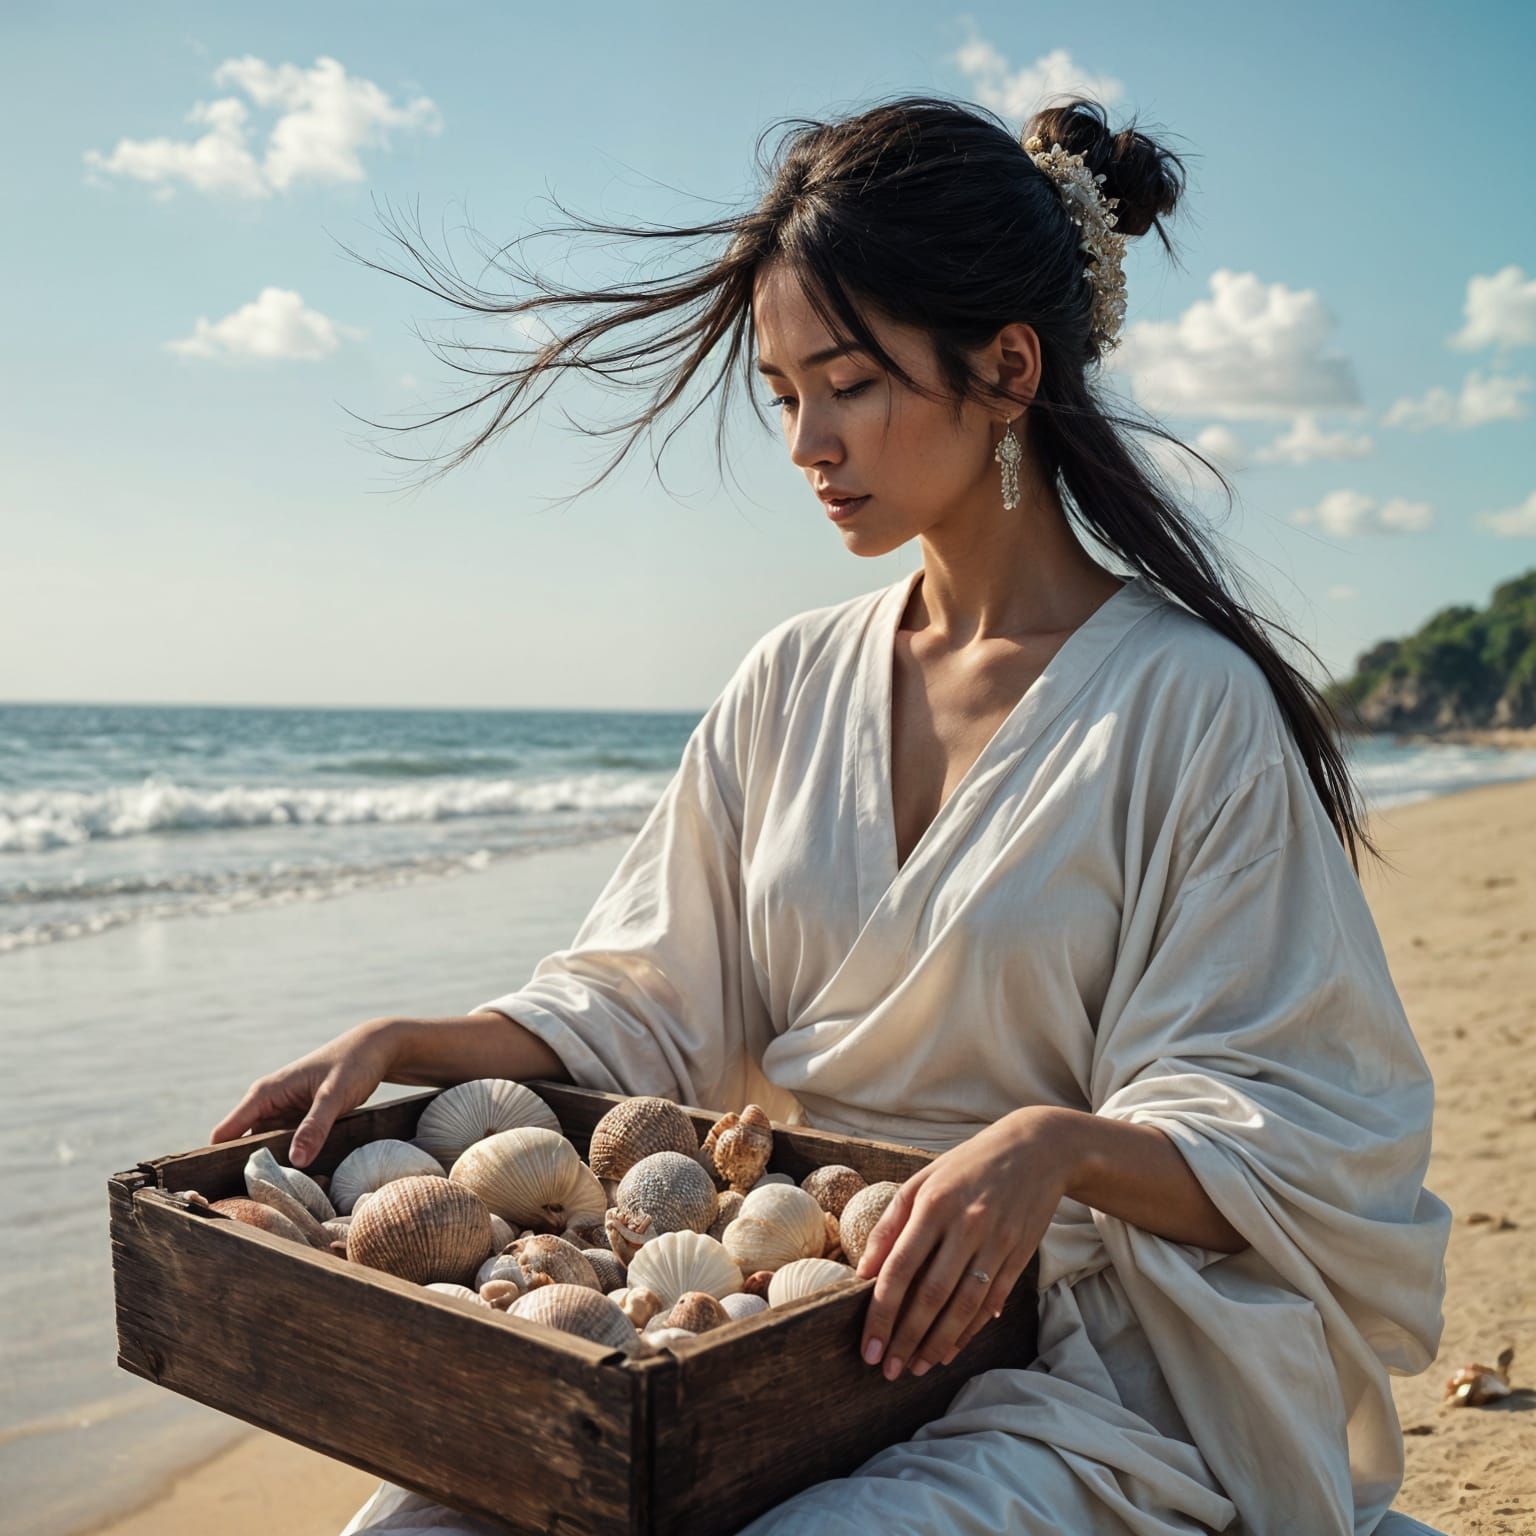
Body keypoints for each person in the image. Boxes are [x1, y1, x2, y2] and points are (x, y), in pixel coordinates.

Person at [212, 95, 1452, 1536]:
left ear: (1007, 368)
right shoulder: (788, 680)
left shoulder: (1189, 706)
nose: (806, 440)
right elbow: (652, 1008)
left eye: (849, 383)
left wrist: (1057, 1144)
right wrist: (417, 1041)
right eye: (781, 390)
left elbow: (1305, 1129)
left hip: (1077, 1359)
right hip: (791, 1306)